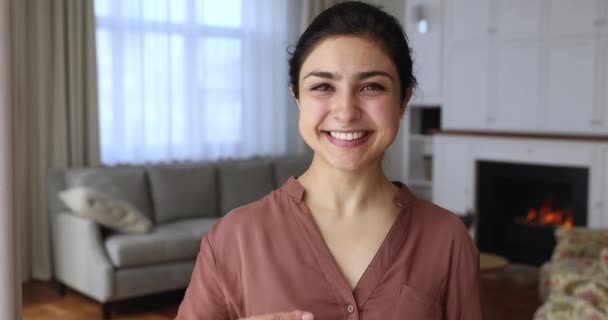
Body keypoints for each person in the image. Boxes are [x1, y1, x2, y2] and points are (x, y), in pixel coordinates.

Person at [176, 1, 482, 319]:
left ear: (403, 101)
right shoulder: (233, 239)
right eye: (322, 87)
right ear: (297, 98)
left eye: (371, 87)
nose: (346, 111)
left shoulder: (447, 238)